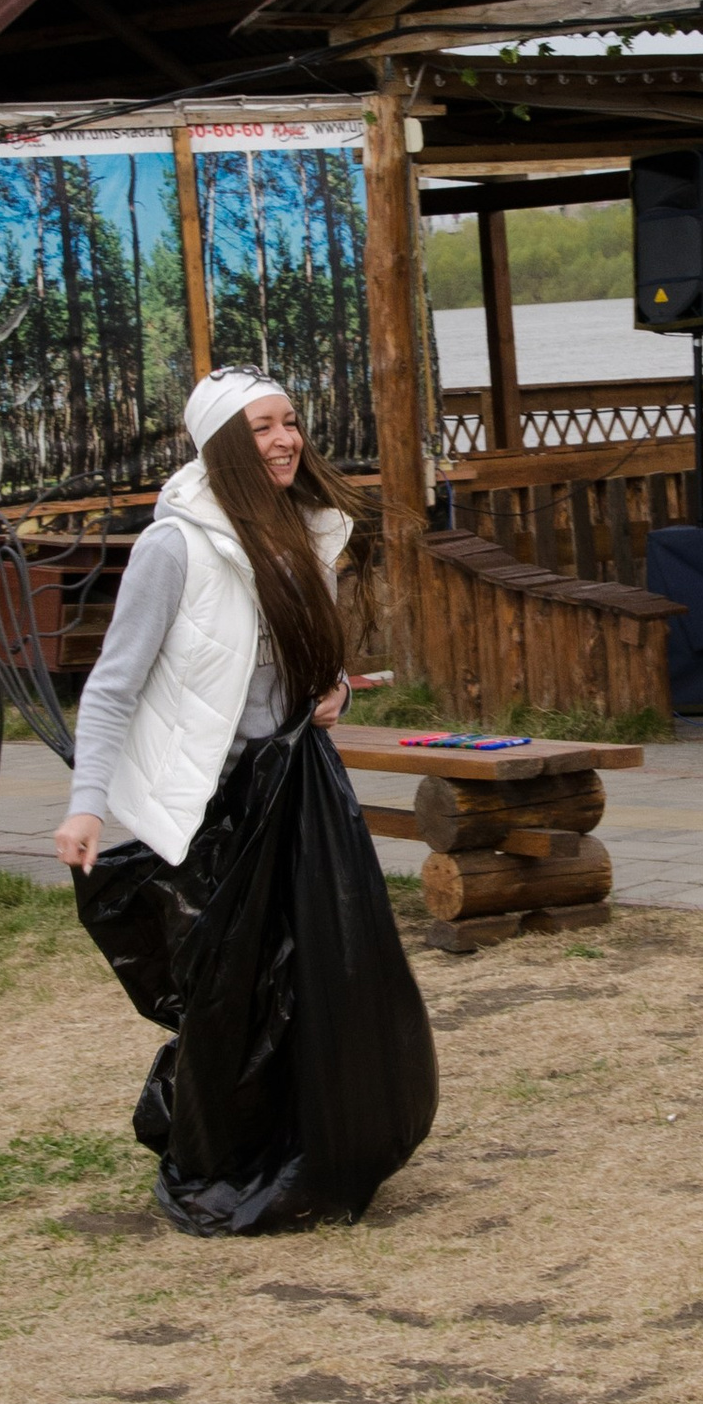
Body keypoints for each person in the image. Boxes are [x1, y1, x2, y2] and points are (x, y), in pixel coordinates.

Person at [54, 369, 436, 1235]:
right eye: (261, 426)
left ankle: (323, 1147)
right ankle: (230, 1159)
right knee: (235, 994)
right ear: (223, 441)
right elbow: (112, 686)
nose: (284, 439)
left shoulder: (305, 530)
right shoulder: (175, 547)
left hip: (297, 784)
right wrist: (86, 805)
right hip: (215, 806)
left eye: (291, 422)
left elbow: (297, 662)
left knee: (328, 972)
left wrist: (331, 688)